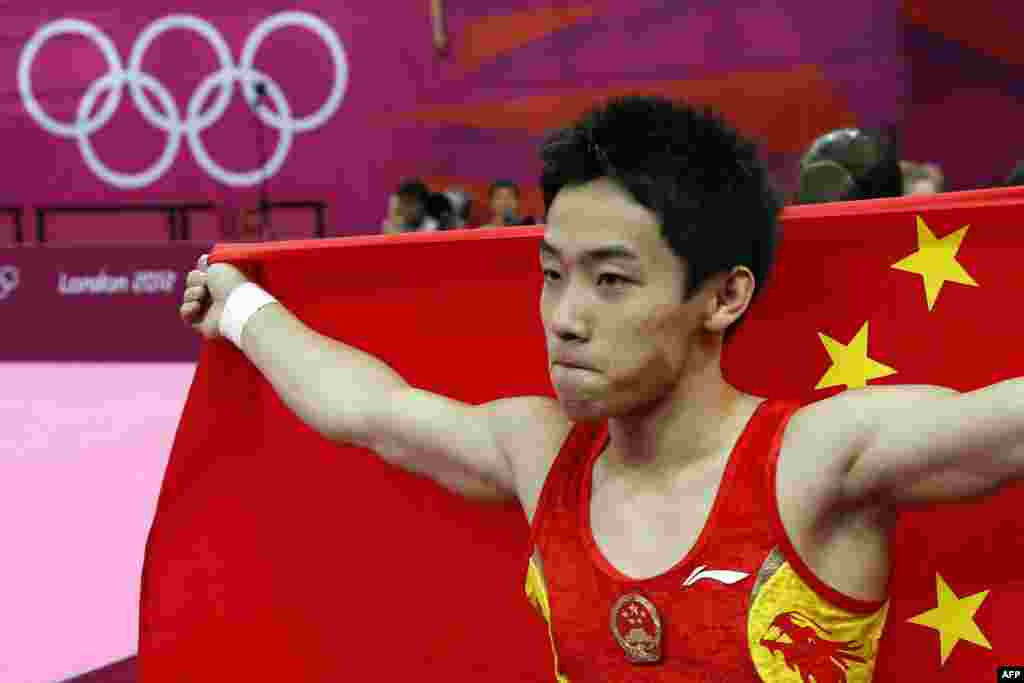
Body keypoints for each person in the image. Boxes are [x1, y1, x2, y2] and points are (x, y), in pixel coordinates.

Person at [179, 96, 1024, 681]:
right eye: (553, 275)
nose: (565, 318)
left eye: (612, 281)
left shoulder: (817, 460)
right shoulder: (539, 451)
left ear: (723, 296)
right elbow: (366, 408)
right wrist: (241, 304)